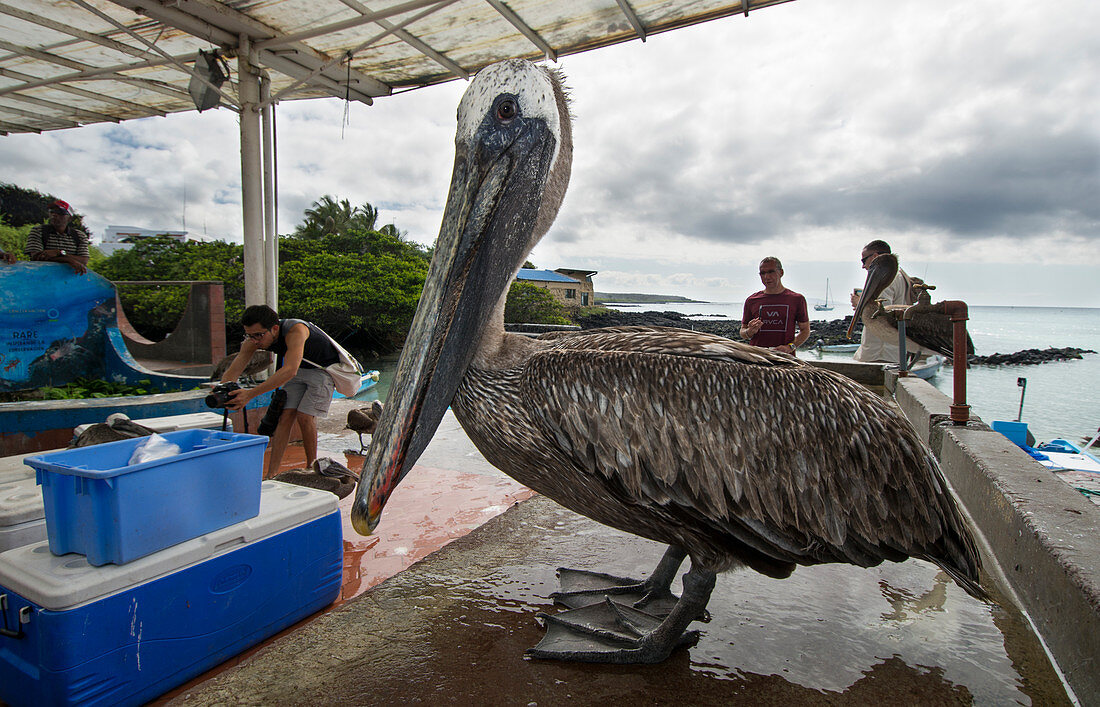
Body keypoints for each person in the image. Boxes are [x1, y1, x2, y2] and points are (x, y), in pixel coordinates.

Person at [220, 304, 340, 478]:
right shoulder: (254, 340)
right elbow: (234, 369)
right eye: (249, 335)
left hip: (322, 370)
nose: (255, 341)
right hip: (298, 372)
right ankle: (272, 473)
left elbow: (289, 370)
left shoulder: (296, 330)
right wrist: (223, 390)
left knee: (304, 416)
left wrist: (249, 394)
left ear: (274, 329)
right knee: (284, 416)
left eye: (258, 335)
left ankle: (311, 466)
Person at [851, 240, 919, 363]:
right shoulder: (900, 276)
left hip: (880, 353)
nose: (863, 266)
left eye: (864, 260)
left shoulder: (885, 277)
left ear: (875, 257)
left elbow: (881, 314)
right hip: (893, 351)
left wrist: (859, 303)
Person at [740, 256, 810, 355]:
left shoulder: (797, 299)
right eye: (763, 273)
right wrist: (750, 331)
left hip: (785, 359)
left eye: (771, 272)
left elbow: (805, 330)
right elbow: (743, 332)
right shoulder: (752, 300)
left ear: (781, 273)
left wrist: (791, 347)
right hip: (757, 359)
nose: (767, 277)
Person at [24, 199, 89, 275]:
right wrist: (69, 260)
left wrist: (59, 253)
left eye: (60, 213)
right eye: (52, 212)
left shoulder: (79, 236)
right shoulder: (38, 231)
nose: (54, 215)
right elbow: (36, 257)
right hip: (41, 276)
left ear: (69, 218)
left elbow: (84, 260)